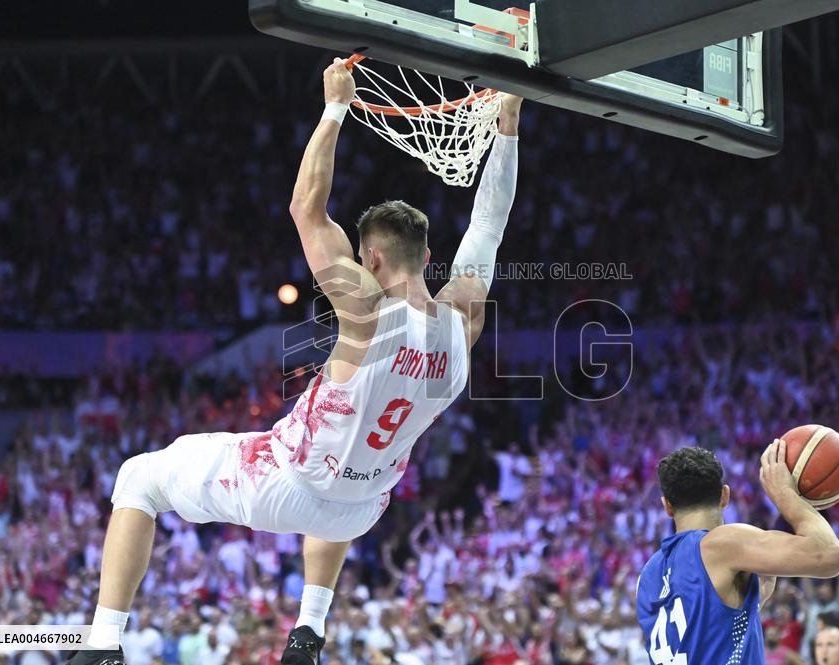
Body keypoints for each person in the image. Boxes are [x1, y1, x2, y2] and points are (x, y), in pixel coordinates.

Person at [67, 58, 524, 665]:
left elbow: (307, 208)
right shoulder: (464, 322)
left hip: (284, 483)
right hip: (362, 510)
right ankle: (308, 631)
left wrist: (335, 107)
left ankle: (101, 645)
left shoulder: (365, 308)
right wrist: (508, 124)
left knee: (138, 479)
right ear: (428, 255)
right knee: (343, 462)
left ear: (371, 260)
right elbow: (489, 224)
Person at [635, 442, 839, 664]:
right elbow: (831, 555)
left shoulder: (647, 575)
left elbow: (700, 638)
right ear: (725, 496)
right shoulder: (722, 544)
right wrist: (785, 494)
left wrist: (752, 603)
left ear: (667, 506)